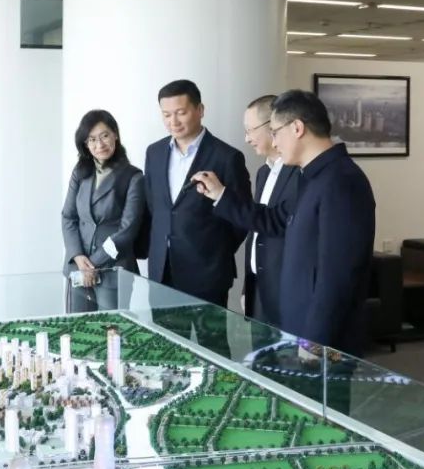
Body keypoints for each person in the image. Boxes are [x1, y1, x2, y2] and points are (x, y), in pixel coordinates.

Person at [191, 89, 375, 357]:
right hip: (296, 327)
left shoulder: (341, 181)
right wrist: (221, 195)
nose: (275, 142)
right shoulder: (312, 177)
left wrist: (314, 343)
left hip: (319, 340)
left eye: (275, 132)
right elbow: (277, 220)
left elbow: (337, 276)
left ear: (297, 128)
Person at [142, 79, 250, 307]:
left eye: (181, 113)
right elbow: (154, 206)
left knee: (210, 332)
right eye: (166, 115)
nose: (173, 121)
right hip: (162, 271)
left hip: (207, 273)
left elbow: (241, 218)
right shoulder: (154, 152)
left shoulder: (227, 157)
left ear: (200, 110)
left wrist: (213, 251)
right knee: (162, 331)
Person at [60, 109, 146, 312]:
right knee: (77, 327)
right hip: (78, 267)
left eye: (104, 136)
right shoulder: (80, 172)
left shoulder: (133, 177)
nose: (99, 145)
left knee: (111, 328)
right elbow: (68, 217)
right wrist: (78, 256)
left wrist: (93, 264)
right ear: (85, 144)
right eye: (92, 139)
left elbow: (127, 231)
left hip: (113, 270)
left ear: (115, 134)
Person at [239, 94, 300, 328]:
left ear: (272, 125)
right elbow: (256, 232)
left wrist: (222, 196)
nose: (247, 138)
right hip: (258, 289)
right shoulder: (263, 173)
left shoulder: (299, 173)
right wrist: (247, 287)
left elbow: (277, 224)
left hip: (286, 295)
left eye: (250, 130)